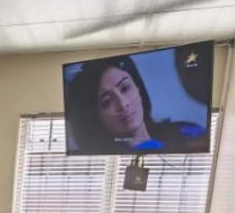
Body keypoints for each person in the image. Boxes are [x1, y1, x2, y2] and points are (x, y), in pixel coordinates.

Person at [67, 55, 207, 153]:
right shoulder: (104, 153)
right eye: (107, 102)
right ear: (96, 117)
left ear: (138, 88)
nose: (123, 104)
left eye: (125, 88)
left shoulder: (188, 130)